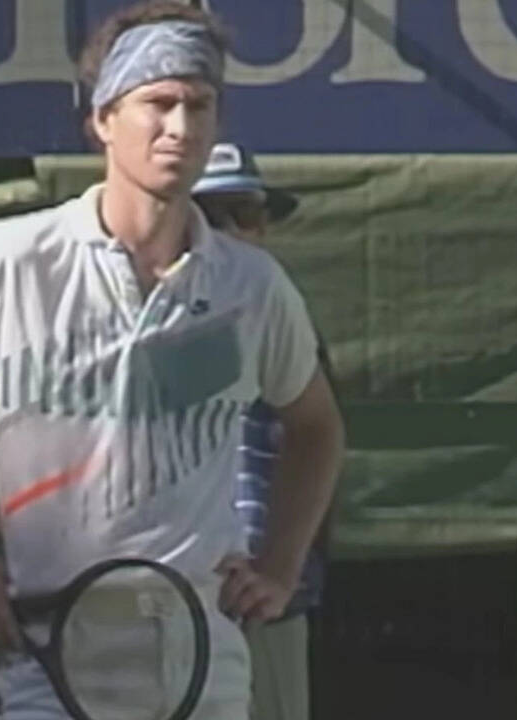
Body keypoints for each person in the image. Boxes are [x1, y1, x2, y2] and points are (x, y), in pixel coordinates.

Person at [0, 3, 344, 718]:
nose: (180, 126)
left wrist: (281, 566)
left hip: (205, 663)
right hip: (46, 663)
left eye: (199, 105)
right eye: (158, 102)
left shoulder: (253, 285)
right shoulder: (11, 260)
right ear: (103, 119)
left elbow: (317, 427)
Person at [192, 143, 331, 720]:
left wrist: (280, 572)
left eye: (246, 213)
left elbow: (316, 442)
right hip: (159, 600)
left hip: (262, 606)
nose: (232, 230)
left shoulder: (283, 319)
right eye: (211, 214)